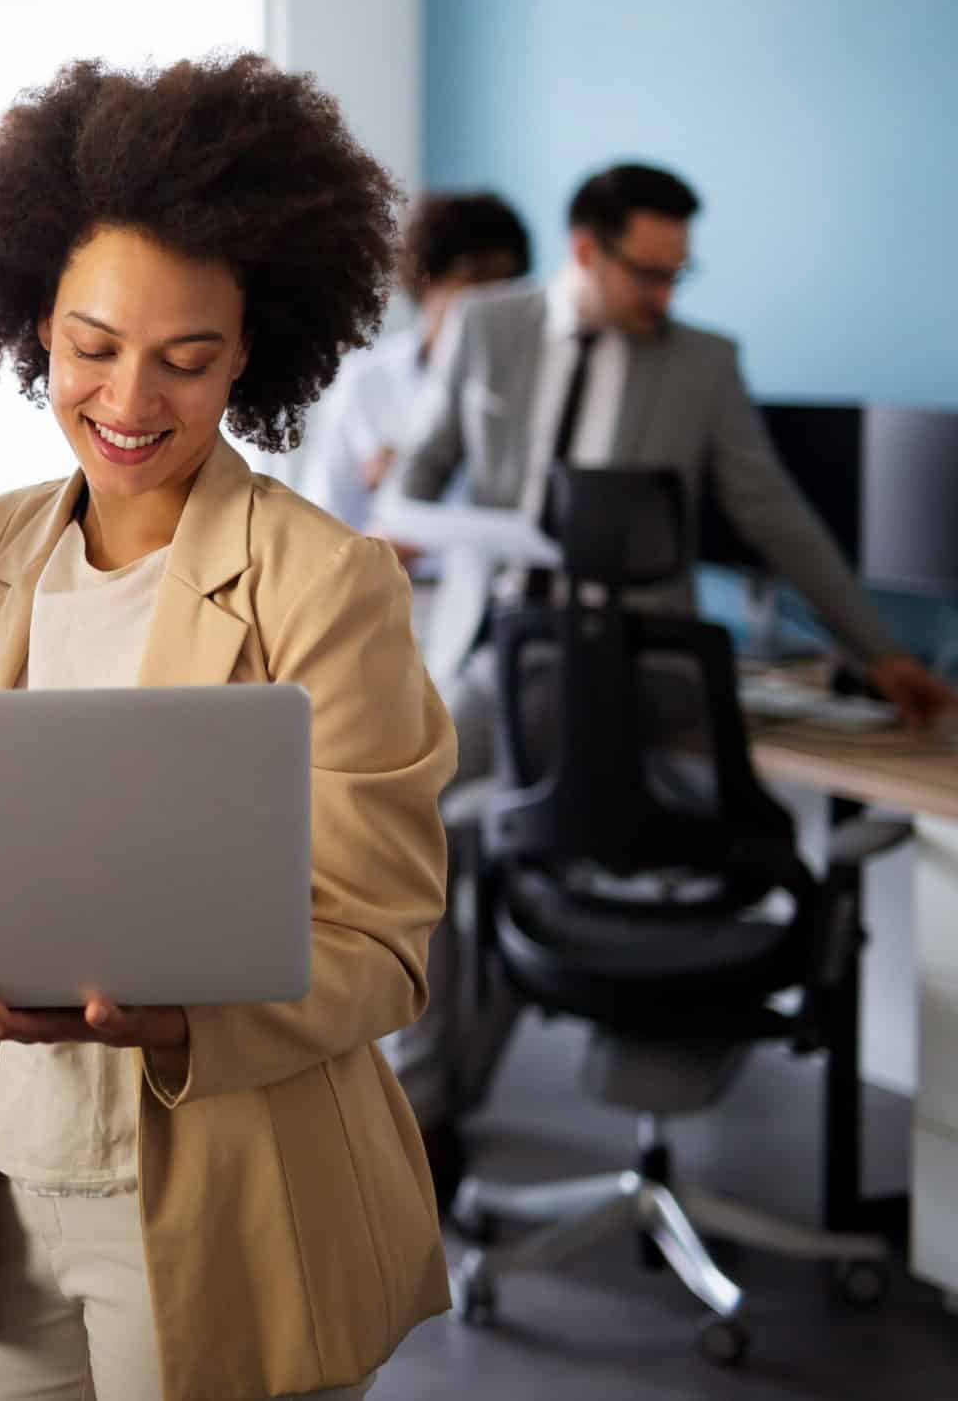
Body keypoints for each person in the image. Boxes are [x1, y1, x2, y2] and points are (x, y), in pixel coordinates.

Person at [0, 54, 453, 1401]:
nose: (131, 401)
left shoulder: (327, 582)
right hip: (7, 1190)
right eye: (92, 347)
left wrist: (175, 1015)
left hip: (237, 1194)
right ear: (34, 320)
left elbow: (382, 941)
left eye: (186, 359)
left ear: (252, 351)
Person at [383, 161, 956, 1153]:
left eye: (676, 276)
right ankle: (422, 1105)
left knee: (689, 833)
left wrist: (875, 650)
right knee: (398, 817)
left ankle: (659, 1048)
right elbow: (405, 490)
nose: (662, 296)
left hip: (647, 670)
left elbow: (772, 514)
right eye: (645, 273)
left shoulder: (702, 364)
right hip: (507, 655)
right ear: (584, 252)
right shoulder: (487, 330)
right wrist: (473, 529)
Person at [302, 192, 530, 534]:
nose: (484, 304)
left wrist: (408, 473)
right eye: (473, 281)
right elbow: (321, 516)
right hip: (382, 576)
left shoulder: (530, 382)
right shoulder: (366, 381)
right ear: (428, 280)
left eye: (500, 287)